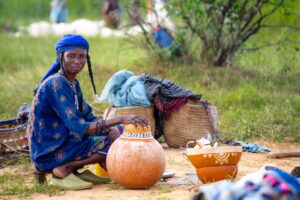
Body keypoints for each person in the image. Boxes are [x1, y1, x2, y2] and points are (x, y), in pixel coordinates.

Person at [27, 34, 149, 190]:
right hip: (49, 150)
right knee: (115, 138)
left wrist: (110, 129)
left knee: (117, 132)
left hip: (63, 140)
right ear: (60, 57)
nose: (77, 61)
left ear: (87, 58)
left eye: (82, 56)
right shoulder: (57, 84)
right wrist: (121, 119)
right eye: (71, 56)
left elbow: (87, 115)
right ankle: (65, 168)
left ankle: (75, 171)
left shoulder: (72, 83)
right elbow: (79, 127)